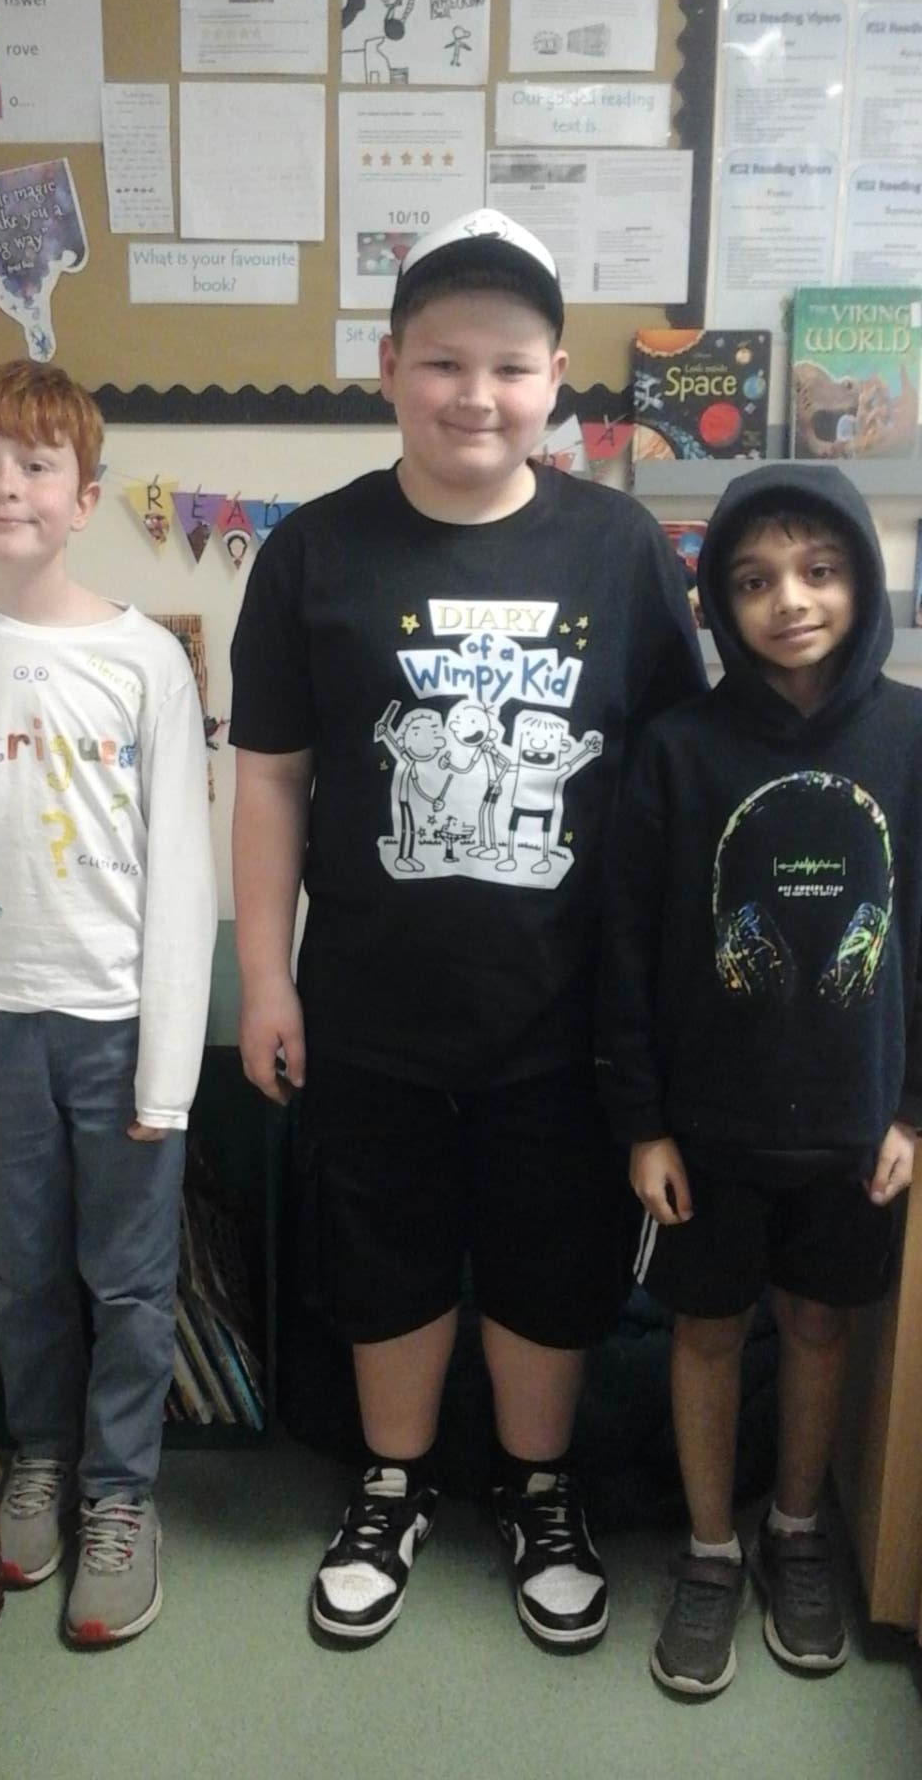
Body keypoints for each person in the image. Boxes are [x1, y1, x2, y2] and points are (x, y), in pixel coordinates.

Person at [229, 209, 703, 1647]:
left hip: (566, 1012)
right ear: (388, 367)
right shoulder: (314, 553)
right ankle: (392, 1483)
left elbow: (676, 787)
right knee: (387, 1252)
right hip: (370, 1003)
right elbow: (270, 779)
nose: (475, 396)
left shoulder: (621, 549)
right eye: (443, 362)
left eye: (509, 366)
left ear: (556, 378)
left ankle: (539, 1486)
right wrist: (264, 979)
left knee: (554, 1258)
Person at [0, 361, 216, 1647]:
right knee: (20, 1276)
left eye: (34, 465)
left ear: (84, 495)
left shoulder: (144, 661)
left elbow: (182, 876)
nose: (4, 486)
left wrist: (168, 1072)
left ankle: (120, 1493)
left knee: (127, 1285)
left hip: (119, 1026)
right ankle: (40, 1458)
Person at [598, 463, 919, 1696]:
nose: (790, 599)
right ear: (720, 603)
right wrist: (644, 1125)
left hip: (854, 1126)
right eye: (754, 579)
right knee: (708, 1330)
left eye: (819, 571)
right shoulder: (678, 750)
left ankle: (794, 1533)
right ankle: (710, 1550)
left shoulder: (911, 737)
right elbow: (627, 948)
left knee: (822, 1326)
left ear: (862, 581)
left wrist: (912, 1110)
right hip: (706, 1129)